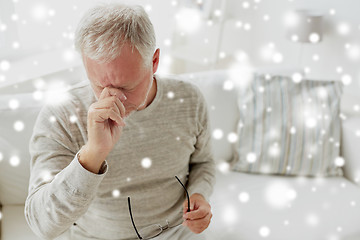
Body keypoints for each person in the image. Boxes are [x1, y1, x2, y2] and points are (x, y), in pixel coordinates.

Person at [24, 3, 216, 240]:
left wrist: (199, 194)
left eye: (126, 87)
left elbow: (203, 162)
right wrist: (92, 154)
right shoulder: (62, 114)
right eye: (99, 85)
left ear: (154, 61)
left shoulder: (189, 98)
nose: (112, 99)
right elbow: (42, 224)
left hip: (178, 233)